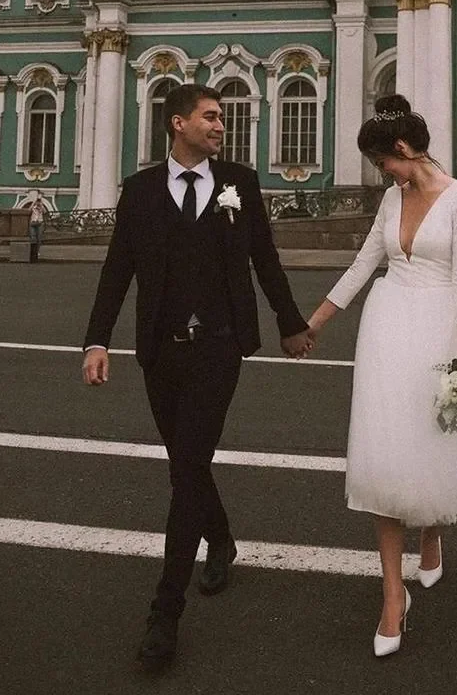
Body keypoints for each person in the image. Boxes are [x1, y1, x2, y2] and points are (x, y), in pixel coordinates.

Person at [82, 83, 312, 671]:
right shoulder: (138, 192)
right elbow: (117, 269)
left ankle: (165, 612)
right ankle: (223, 538)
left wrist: (289, 322)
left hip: (219, 348)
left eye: (222, 118)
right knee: (187, 460)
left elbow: (265, 259)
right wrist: (97, 339)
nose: (220, 125)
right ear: (178, 123)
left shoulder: (241, 184)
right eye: (210, 117)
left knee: (185, 470)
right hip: (160, 351)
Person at [306, 95, 457, 658]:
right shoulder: (391, 198)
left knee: (434, 446)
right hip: (387, 326)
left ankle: (432, 534)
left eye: (384, 162)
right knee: (385, 455)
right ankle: (392, 595)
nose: (382, 173)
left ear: (403, 150)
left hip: (438, 328)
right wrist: (311, 323)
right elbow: (364, 263)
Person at [28, 197, 45, 263]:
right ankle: (33, 252)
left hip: (40, 223)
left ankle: (37, 251)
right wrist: (33, 203)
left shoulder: (41, 207)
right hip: (33, 223)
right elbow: (29, 210)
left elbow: (45, 212)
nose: (38, 203)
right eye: (37, 201)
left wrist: (42, 205)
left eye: (39, 201)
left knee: (39, 238)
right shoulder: (33, 207)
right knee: (33, 237)